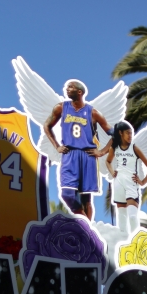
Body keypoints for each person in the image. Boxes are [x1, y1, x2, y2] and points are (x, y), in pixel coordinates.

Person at [43, 80, 113, 220]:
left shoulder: (93, 112)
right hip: (69, 154)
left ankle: (88, 233)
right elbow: (47, 125)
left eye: (71, 87)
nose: (66, 88)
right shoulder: (61, 108)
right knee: (67, 194)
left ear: (79, 92)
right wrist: (57, 146)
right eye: (67, 87)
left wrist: (102, 151)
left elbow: (115, 133)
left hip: (88, 155)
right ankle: (84, 223)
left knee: (86, 199)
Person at [106, 121, 147, 235]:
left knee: (133, 216)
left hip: (131, 184)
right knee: (121, 219)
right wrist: (112, 171)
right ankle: (123, 242)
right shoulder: (115, 148)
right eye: (128, 133)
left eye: (131, 133)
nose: (130, 136)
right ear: (120, 133)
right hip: (118, 183)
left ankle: (135, 241)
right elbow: (108, 161)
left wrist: (142, 182)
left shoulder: (134, 148)